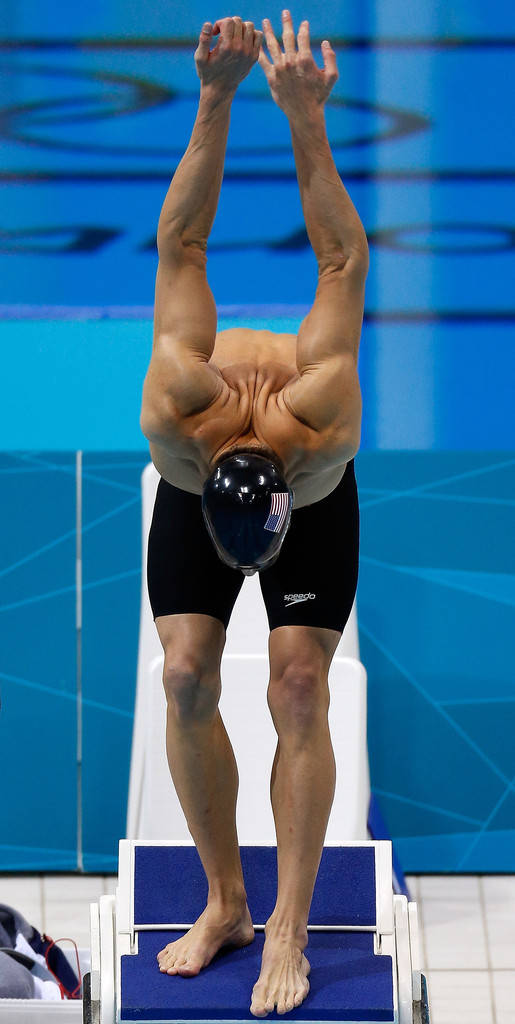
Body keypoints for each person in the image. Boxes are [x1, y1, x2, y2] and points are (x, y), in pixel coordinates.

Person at [139, 11, 368, 1018]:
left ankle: (288, 924)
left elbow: (341, 264)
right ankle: (228, 900)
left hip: (313, 506)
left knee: (300, 690)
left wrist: (301, 121)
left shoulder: (319, 410)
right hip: (204, 497)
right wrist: (213, 95)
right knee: (184, 675)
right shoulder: (178, 397)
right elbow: (179, 239)